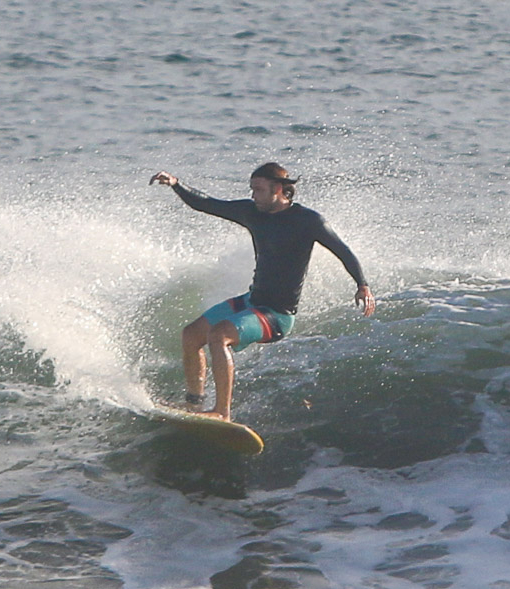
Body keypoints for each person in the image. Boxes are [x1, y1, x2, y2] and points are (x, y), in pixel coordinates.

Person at [150, 162, 374, 421]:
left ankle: (222, 411)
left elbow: (343, 251)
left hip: (277, 315)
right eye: (252, 189)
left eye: (258, 189)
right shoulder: (252, 212)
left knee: (219, 335)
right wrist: (177, 184)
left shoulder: (308, 221)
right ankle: (194, 403)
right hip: (252, 301)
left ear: (278, 189)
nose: (253, 195)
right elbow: (208, 204)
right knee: (191, 335)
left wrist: (362, 284)